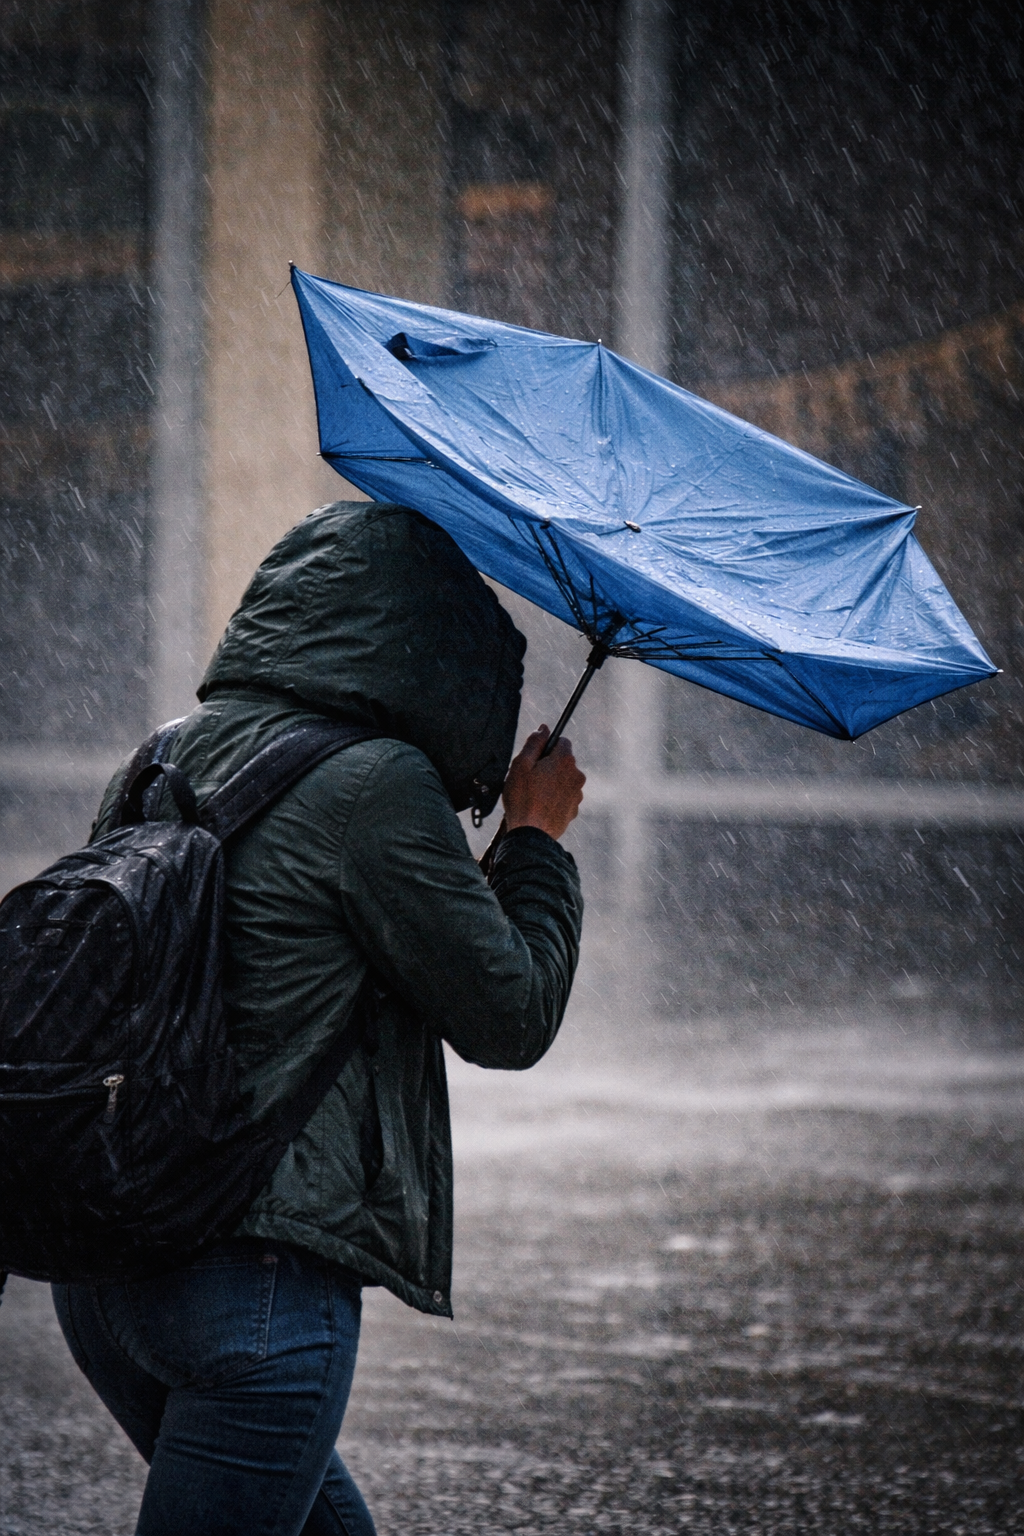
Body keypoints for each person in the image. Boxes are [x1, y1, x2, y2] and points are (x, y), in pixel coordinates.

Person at [51, 501, 585, 1536]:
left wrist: (444, 888)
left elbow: (257, 948)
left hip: (108, 1271)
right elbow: (511, 1017)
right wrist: (534, 842)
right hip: (253, 1289)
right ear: (438, 657)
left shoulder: (162, 754)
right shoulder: (377, 785)